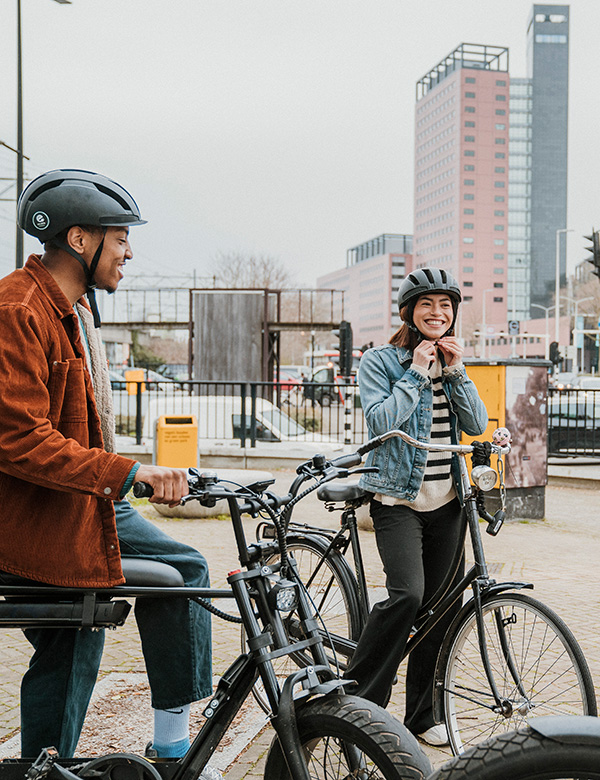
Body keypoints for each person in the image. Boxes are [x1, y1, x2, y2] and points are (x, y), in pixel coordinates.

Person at [0, 170, 213, 761]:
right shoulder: (19, 309)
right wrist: (129, 473)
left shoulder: (70, 309)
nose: (129, 251)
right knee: (180, 573)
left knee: (76, 638)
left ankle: (52, 766)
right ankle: (171, 752)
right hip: (38, 516)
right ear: (79, 239)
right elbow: (19, 440)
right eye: (119, 238)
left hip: (77, 502)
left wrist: (122, 477)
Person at [343, 267, 488, 747]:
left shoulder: (452, 361)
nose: (437, 313)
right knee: (407, 596)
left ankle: (422, 718)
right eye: (427, 304)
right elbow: (381, 422)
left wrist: (457, 372)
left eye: (445, 306)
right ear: (409, 311)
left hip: (447, 500)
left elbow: (476, 424)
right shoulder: (379, 361)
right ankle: (357, 703)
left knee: (442, 610)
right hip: (397, 499)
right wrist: (416, 374)